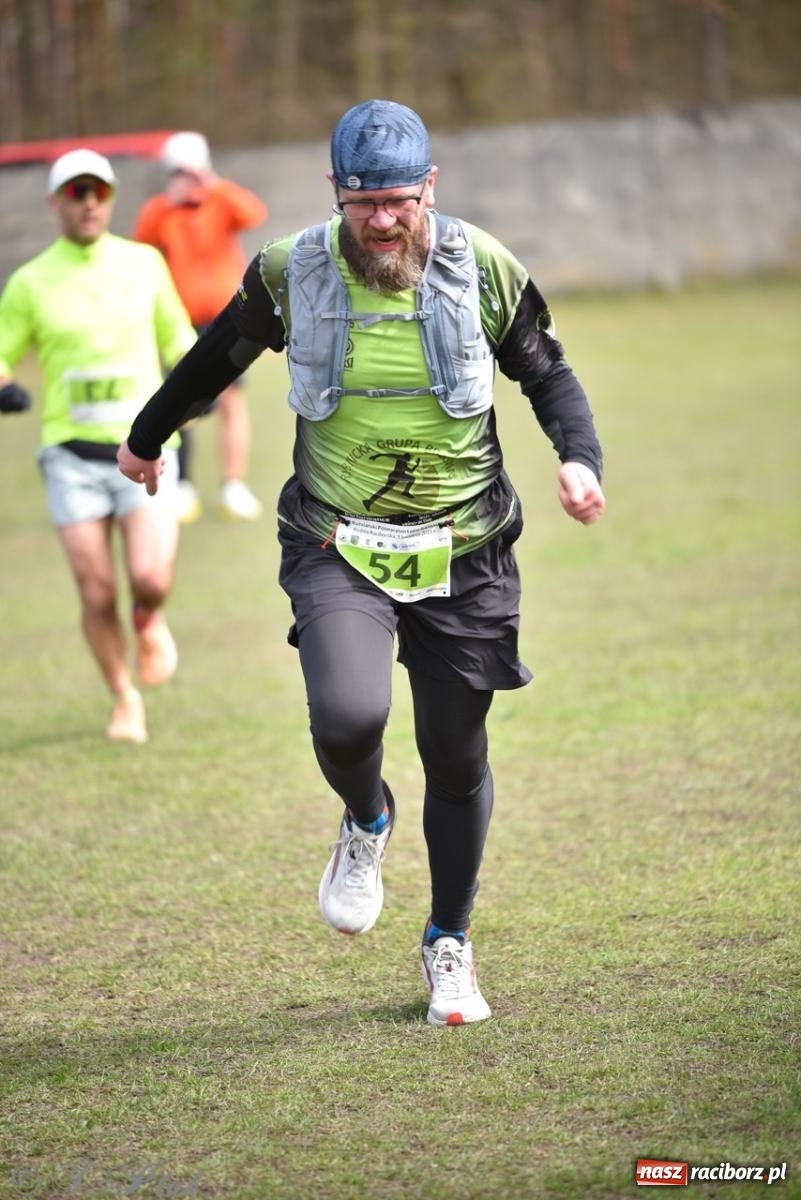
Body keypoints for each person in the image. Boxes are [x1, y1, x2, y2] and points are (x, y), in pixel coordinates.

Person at [118, 100, 606, 1023]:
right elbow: (218, 355)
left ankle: (448, 942)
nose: (381, 221)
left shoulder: (481, 267)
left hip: (464, 547)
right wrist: (148, 436)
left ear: (429, 187)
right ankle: (365, 816)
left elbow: (546, 372)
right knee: (348, 717)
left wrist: (578, 459)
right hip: (336, 539)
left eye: (397, 201)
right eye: (362, 203)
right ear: (334, 194)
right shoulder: (290, 271)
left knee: (455, 755)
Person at [0, 148, 196, 744]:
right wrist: (5, 386)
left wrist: (200, 387)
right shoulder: (30, 281)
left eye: (99, 192)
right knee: (96, 590)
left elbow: (179, 340)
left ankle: (149, 616)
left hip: (144, 452)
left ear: (110, 199)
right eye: (75, 192)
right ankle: (123, 698)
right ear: (54, 202)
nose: (88, 203)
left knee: (149, 577)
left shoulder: (144, 264)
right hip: (71, 457)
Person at [132, 131, 268, 523]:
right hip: (180, 322)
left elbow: (253, 213)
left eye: (191, 172)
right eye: (179, 173)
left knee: (231, 400)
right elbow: (141, 245)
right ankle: (182, 484)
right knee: (182, 401)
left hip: (228, 319)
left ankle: (233, 484)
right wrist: (169, 205)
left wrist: (212, 183)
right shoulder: (161, 210)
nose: (186, 180)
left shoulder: (220, 200)